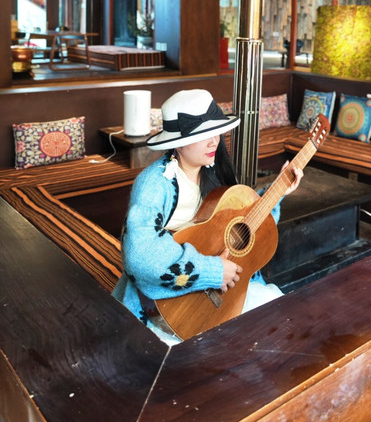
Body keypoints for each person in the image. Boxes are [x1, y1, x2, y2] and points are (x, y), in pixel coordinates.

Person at [112, 88, 302, 344]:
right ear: (177, 142)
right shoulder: (154, 184)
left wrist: (277, 192)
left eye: (216, 132)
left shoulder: (212, 173)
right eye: (203, 135)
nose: (215, 141)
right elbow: (140, 255)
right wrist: (212, 270)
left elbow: (244, 227)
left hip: (224, 295)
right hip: (170, 307)